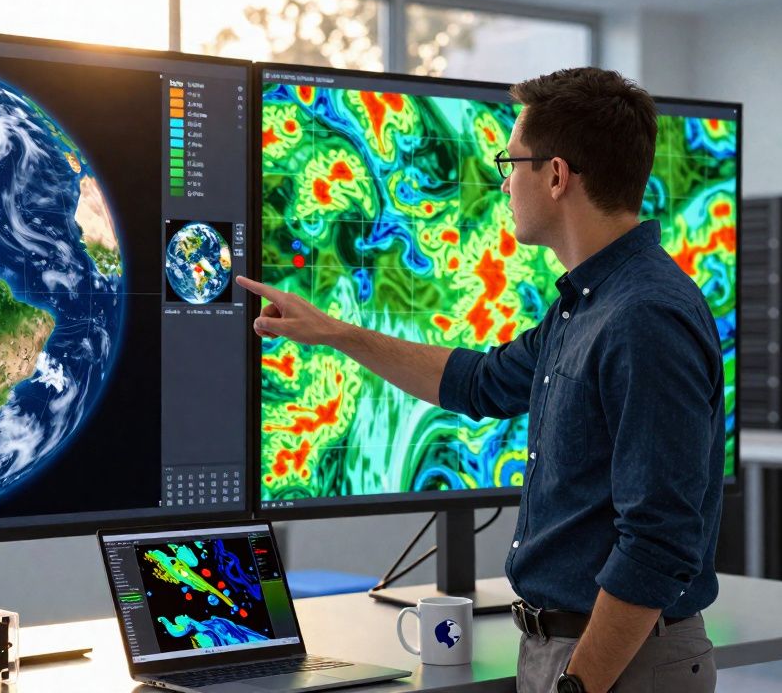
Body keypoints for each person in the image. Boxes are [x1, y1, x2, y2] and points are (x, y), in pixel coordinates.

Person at [237, 67, 723, 693]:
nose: (503, 183)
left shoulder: (642, 317)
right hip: (577, 653)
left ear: (555, 176)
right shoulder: (588, 305)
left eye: (509, 162)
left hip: (619, 664)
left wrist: (579, 685)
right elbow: (479, 382)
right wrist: (336, 332)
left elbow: (658, 540)